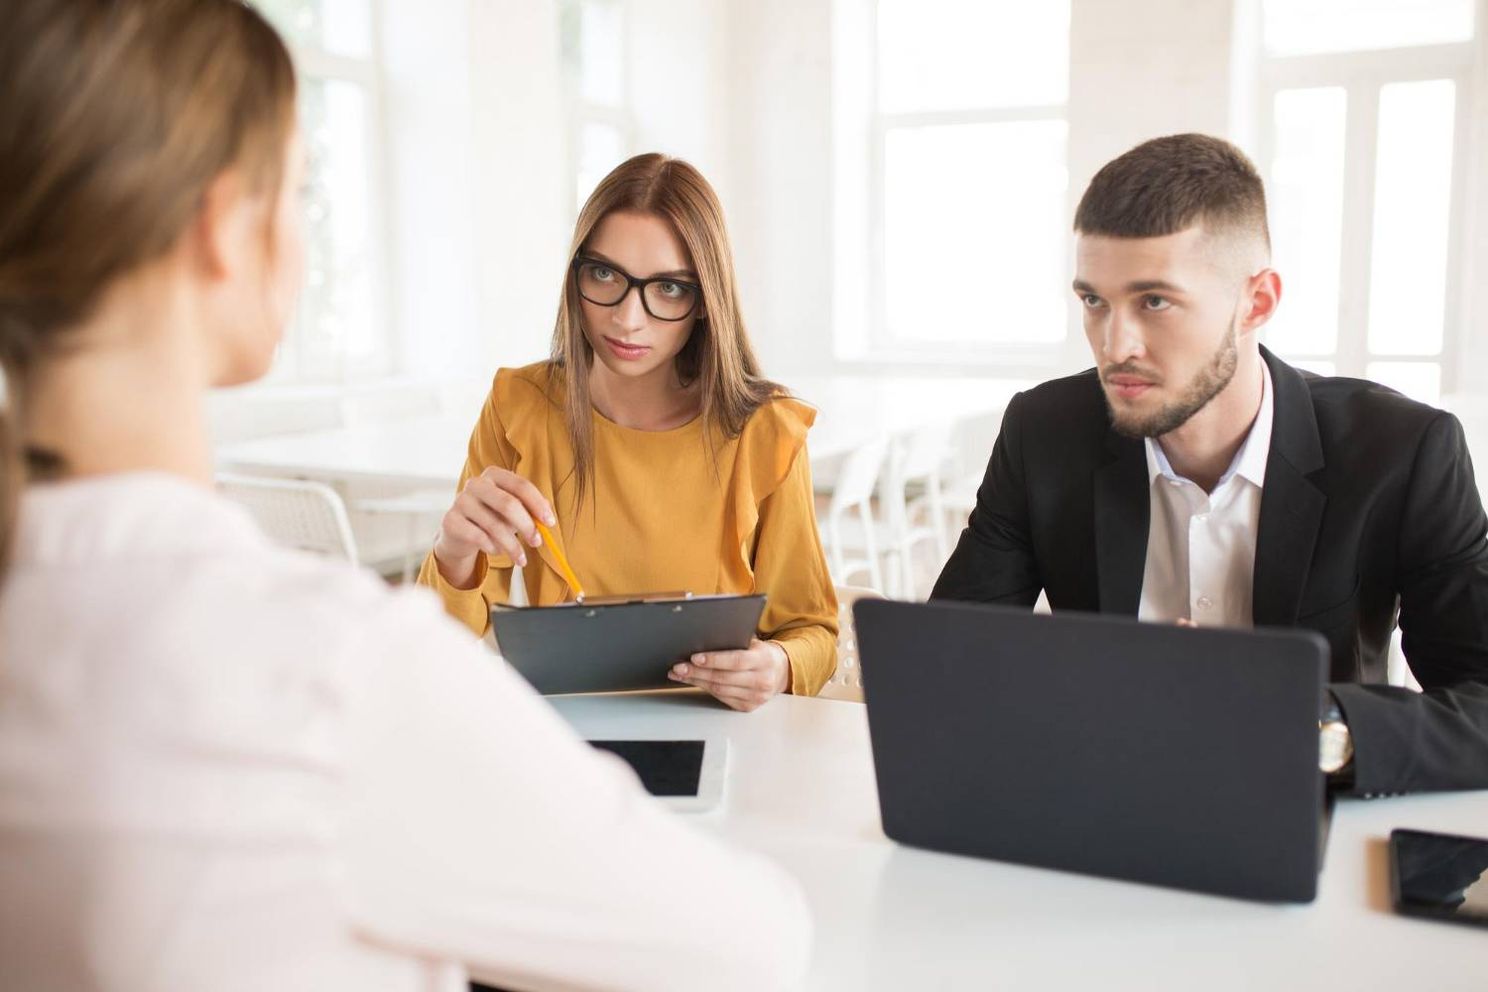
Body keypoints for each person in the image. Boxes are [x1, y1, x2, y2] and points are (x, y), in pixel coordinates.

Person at [0, 3, 810, 989]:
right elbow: (749, 944)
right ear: (225, 228)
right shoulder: (334, 670)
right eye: (298, 191)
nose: (630, 312)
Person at [932, 133, 1488, 796]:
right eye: (1094, 301)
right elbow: (950, 662)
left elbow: (1480, 705)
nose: (1115, 345)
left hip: (1311, 821)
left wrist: (1304, 728)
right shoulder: (1044, 430)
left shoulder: (1402, 450)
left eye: (1154, 301)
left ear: (1256, 302)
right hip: (1101, 804)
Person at [417, 153, 838, 710]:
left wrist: (778, 665)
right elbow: (436, 647)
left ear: (706, 302)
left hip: (718, 729)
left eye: (667, 288)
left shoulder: (765, 430)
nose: (627, 318)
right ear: (577, 275)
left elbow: (814, 633)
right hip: (565, 732)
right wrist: (453, 552)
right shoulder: (519, 406)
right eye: (604, 274)